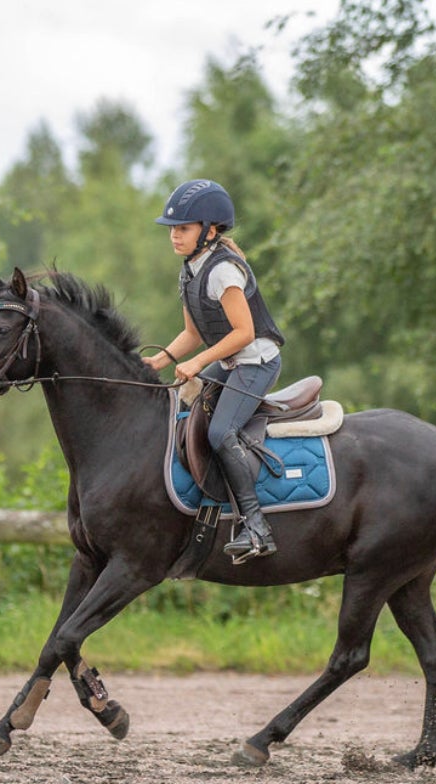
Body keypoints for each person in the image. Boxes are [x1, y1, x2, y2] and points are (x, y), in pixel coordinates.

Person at [143, 179, 286, 564]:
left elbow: (244, 333)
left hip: (256, 362)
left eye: (183, 228)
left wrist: (198, 363)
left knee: (221, 432)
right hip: (230, 362)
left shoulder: (223, 271)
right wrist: (160, 361)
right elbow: (192, 333)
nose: (174, 236)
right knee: (184, 409)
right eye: (172, 229)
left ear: (209, 230)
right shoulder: (190, 270)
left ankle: (257, 527)